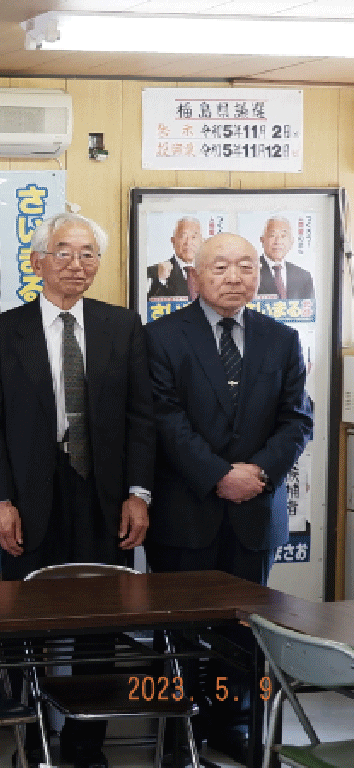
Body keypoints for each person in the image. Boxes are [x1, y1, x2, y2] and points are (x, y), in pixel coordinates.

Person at [0, 213, 154, 768]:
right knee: (28, 624)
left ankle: (85, 743)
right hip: (28, 499)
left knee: (100, 623)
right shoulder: (0, 332)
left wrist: (138, 493)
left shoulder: (122, 325)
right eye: (64, 252)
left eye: (88, 253)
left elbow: (142, 418)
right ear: (38, 261)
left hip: (104, 496)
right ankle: (33, 737)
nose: (77, 264)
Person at [143, 232, 312, 761]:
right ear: (194, 276)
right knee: (180, 629)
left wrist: (257, 472)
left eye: (245, 266)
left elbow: (297, 420)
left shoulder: (282, 339)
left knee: (243, 632)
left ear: (258, 276)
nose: (234, 277)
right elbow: (164, 418)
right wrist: (218, 474)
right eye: (220, 267)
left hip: (254, 512)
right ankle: (178, 733)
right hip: (184, 513)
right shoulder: (160, 336)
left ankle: (231, 724)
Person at [256, 216, 315, 301]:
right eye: (272, 235)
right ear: (262, 240)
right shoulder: (250, 271)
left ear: (291, 242)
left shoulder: (304, 277)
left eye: (283, 236)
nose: (278, 241)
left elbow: (309, 308)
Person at [146, 216, 202, 300]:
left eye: (193, 237)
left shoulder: (210, 271)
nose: (188, 242)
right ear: (173, 241)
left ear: (202, 241)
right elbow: (145, 304)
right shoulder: (154, 272)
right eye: (183, 236)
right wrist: (160, 280)